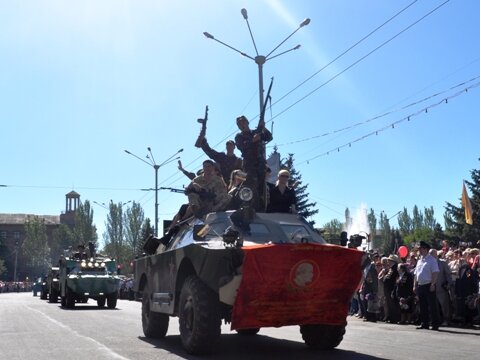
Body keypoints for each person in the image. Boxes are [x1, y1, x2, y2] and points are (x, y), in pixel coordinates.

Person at [235, 115, 272, 211]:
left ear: (247, 122)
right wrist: (252, 140)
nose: (242, 125)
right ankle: (250, 209)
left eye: (243, 122)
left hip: (261, 164)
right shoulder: (239, 136)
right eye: (239, 124)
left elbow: (269, 137)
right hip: (249, 165)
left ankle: (262, 209)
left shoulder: (256, 132)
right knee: (251, 186)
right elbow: (241, 147)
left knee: (262, 188)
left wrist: (263, 128)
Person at [413, 241, 440, 330]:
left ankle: (435, 324)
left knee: (432, 305)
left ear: (426, 249)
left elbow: (435, 273)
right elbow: (416, 274)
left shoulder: (431, 260)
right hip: (421, 285)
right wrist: (415, 285)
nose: (419, 250)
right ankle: (424, 323)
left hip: (428, 284)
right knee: (422, 305)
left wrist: (433, 284)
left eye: (421, 249)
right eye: (419, 249)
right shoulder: (420, 260)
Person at [430, 248, 453, 326]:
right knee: (434, 306)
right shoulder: (429, 263)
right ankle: (437, 320)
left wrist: (449, 284)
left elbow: (448, 274)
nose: (430, 255)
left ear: (435, 254)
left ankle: (447, 320)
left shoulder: (442, 263)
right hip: (432, 288)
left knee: (444, 306)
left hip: (441, 288)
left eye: (431, 253)